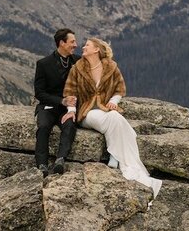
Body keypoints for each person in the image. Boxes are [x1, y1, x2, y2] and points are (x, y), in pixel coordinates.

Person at [62, 37, 162, 197]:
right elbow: (70, 91)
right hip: (86, 112)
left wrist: (114, 102)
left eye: (87, 45)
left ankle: (115, 157)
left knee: (114, 116)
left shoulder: (111, 67)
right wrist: (71, 110)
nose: (83, 47)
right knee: (114, 119)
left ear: (97, 49)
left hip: (106, 109)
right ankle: (115, 154)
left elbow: (120, 89)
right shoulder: (77, 68)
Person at [33, 28, 79, 176]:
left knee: (70, 125)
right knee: (43, 126)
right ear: (62, 43)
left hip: (68, 108)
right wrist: (61, 101)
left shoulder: (78, 62)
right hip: (49, 106)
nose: (76, 45)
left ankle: (60, 159)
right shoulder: (44, 64)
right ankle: (42, 164)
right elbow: (39, 93)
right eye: (72, 42)